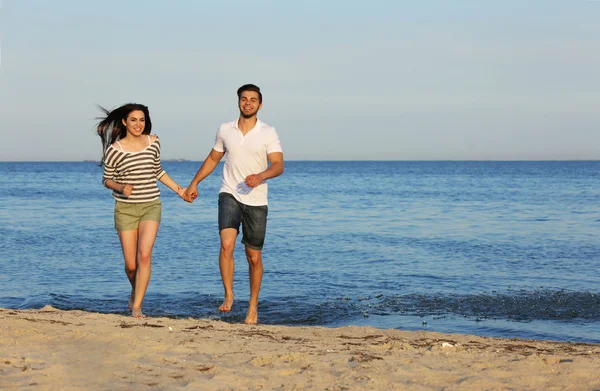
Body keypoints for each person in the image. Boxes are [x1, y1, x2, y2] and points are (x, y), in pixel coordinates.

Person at [183, 84, 284, 324]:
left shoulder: (268, 132)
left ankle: (252, 306)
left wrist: (261, 176)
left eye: (253, 100)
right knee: (227, 244)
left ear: (260, 104)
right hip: (229, 193)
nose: (248, 103)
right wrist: (194, 183)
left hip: (257, 200)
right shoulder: (225, 129)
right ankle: (228, 294)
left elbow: (278, 165)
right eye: (244, 99)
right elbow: (213, 158)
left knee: (254, 258)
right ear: (238, 102)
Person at [96, 103, 186, 318]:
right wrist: (121, 187)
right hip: (125, 209)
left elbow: (158, 171)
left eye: (142, 120)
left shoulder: (153, 142)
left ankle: (137, 307)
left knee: (144, 255)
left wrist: (179, 190)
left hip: (150, 205)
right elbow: (106, 179)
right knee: (130, 265)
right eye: (134, 120)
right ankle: (134, 291)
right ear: (125, 122)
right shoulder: (115, 150)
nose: (138, 124)